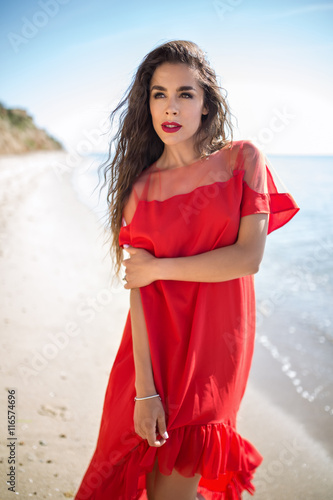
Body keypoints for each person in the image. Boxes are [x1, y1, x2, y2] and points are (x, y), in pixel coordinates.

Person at [75, 40, 299, 500]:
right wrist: (144, 390)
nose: (170, 107)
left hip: (215, 350)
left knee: (178, 476)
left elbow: (247, 258)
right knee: (135, 476)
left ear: (206, 103)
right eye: (159, 94)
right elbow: (138, 288)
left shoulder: (243, 160)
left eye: (185, 94)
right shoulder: (140, 188)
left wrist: (160, 267)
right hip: (152, 354)